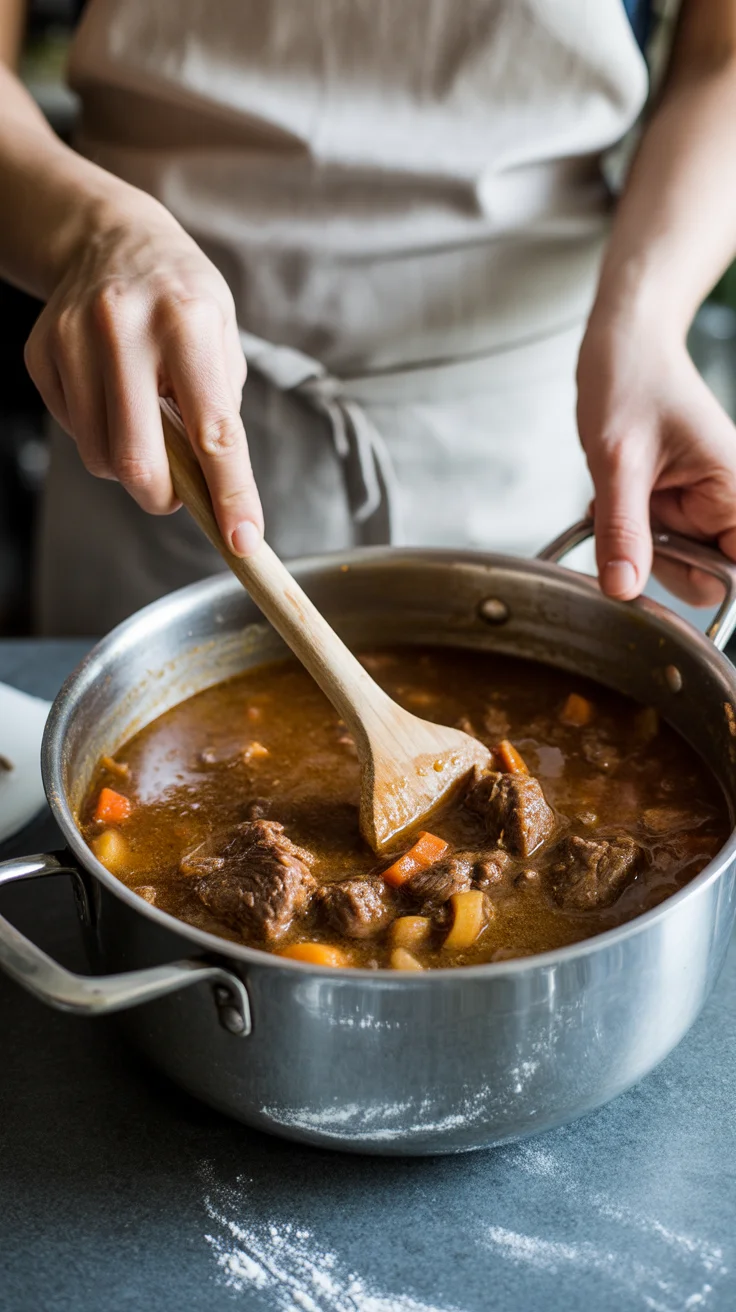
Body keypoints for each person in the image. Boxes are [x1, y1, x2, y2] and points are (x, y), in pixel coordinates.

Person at [1, 1, 735, 634]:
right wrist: (95, 233)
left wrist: (645, 323)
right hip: (151, 409)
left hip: (531, 428)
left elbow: (721, 57)